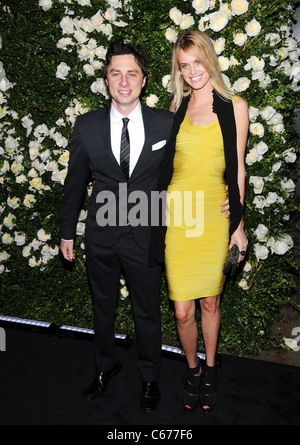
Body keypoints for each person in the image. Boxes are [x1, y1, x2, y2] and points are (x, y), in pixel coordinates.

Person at [59, 38, 174, 412]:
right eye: (115, 73)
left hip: (146, 234)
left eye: (132, 74)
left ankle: (149, 377)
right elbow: (75, 182)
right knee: (102, 309)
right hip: (102, 234)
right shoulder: (87, 125)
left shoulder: (165, 122)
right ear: (106, 79)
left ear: (143, 81)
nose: (123, 81)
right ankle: (105, 367)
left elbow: (184, 174)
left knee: (148, 312)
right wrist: (66, 231)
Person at [160, 30, 249, 413]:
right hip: (178, 216)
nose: (193, 70)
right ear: (179, 70)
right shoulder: (175, 108)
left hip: (214, 213)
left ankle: (210, 370)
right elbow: (163, 167)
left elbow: (239, 169)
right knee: (182, 309)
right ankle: (192, 368)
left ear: (209, 59)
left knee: (210, 301)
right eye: (184, 65)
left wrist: (239, 224)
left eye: (197, 61)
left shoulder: (235, 106)